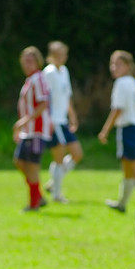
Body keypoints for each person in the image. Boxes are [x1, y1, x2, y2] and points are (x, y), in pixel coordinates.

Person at [98, 50, 135, 212]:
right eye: (112, 63)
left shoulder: (122, 83)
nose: (114, 67)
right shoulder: (134, 83)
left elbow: (117, 110)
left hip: (129, 130)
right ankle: (122, 204)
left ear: (128, 66)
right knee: (128, 170)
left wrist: (105, 131)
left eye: (118, 64)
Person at [43, 41, 83, 203]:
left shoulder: (64, 71)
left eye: (63, 54)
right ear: (51, 56)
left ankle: (54, 182)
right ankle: (57, 195)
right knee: (59, 157)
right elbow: (44, 99)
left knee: (77, 154)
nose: (62, 58)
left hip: (63, 120)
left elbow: (67, 97)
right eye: (58, 55)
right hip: (53, 121)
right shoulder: (48, 73)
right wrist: (48, 120)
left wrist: (72, 116)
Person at [13, 46, 52, 211]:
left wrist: (25, 121)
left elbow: (43, 103)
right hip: (28, 131)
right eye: (25, 61)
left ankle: (34, 203)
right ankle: (39, 196)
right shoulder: (30, 79)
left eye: (31, 61)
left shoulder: (39, 78)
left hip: (36, 130)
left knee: (32, 165)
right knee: (20, 162)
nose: (27, 64)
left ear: (38, 61)